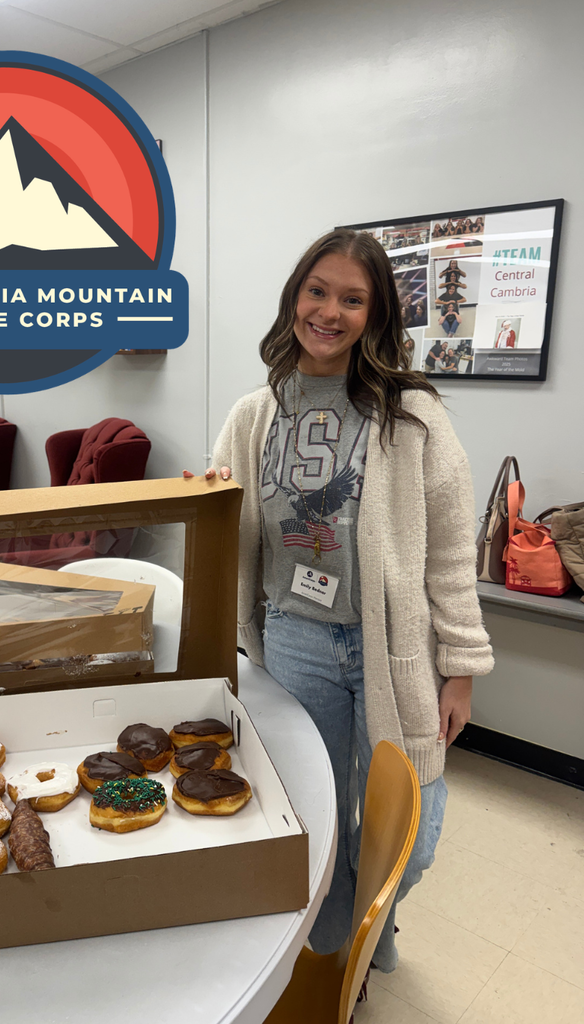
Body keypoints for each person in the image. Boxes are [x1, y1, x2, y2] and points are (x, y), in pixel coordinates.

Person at [185, 229, 493, 975]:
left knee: (409, 828)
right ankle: (333, 946)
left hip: (394, 650)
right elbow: (229, 519)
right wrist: (208, 503)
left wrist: (460, 669)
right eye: (316, 291)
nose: (328, 311)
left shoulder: (411, 415)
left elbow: (451, 550)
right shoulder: (254, 413)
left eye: (352, 299)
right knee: (312, 809)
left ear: (375, 315)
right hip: (294, 641)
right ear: (295, 296)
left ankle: (369, 912)